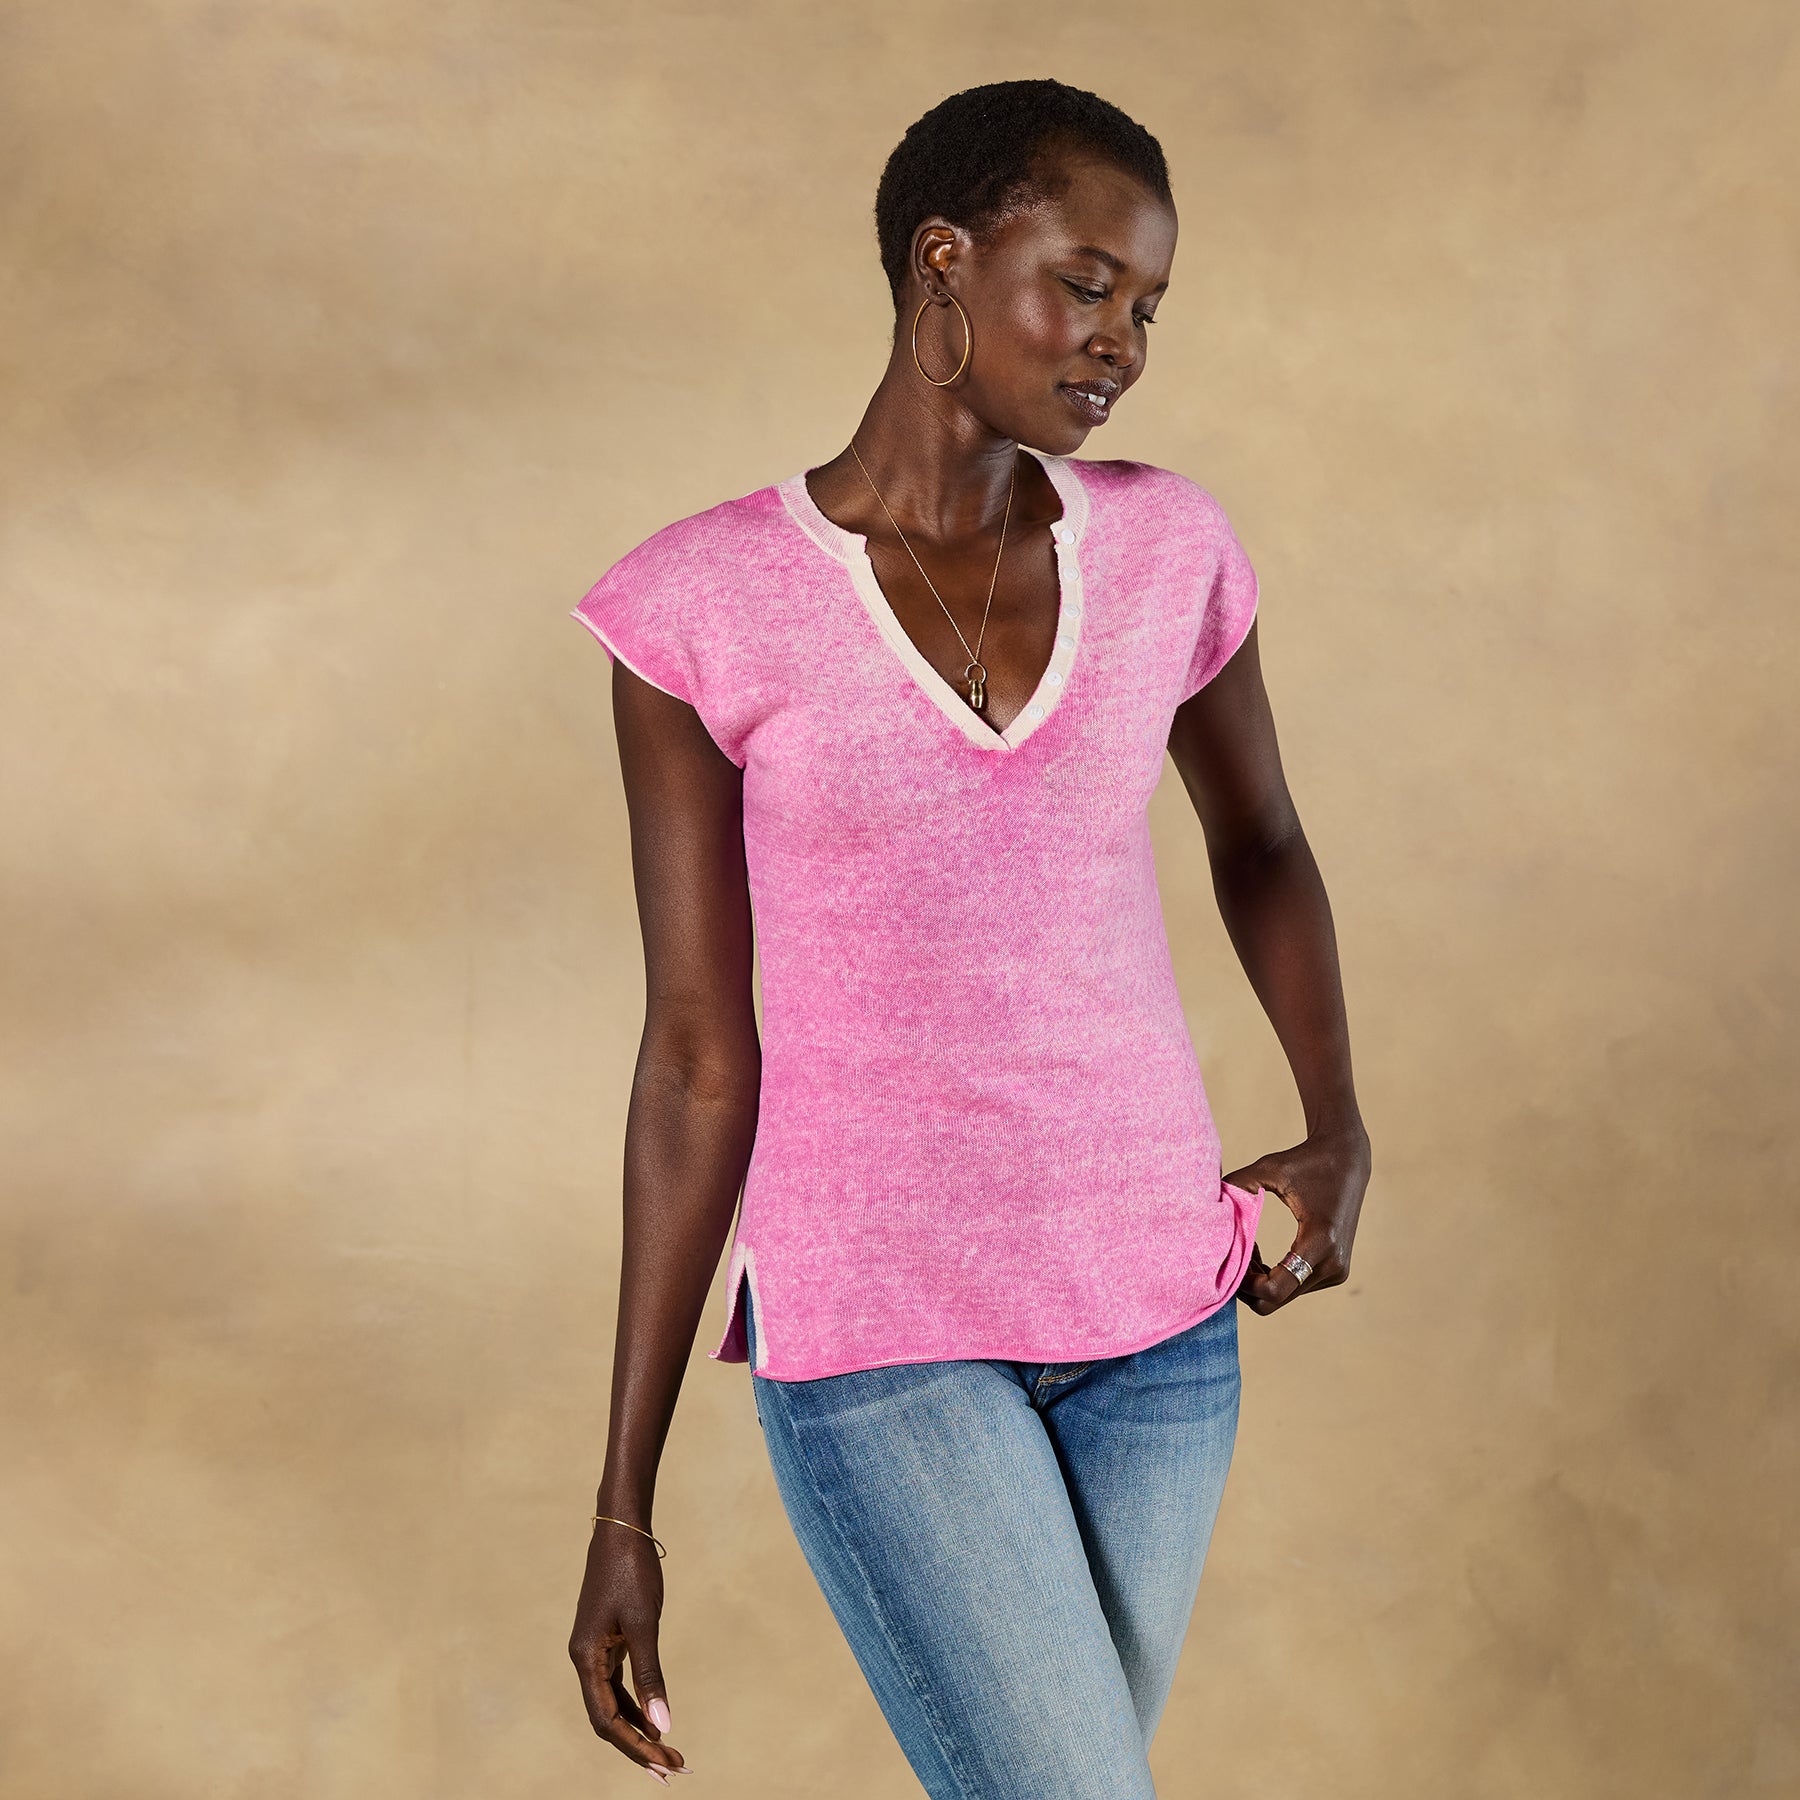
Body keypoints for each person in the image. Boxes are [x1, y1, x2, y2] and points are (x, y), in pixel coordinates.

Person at [566, 77, 1371, 1797]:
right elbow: (697, 1053)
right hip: (882, 1336)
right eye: (1087, 284)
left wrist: (1340, 1126)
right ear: (945, 259)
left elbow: (1264, 842)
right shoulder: (701, 606)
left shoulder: (1169, 547)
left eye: (1148, 305)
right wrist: (624, 1499)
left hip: (1161, 1320)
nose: (1123, 341)